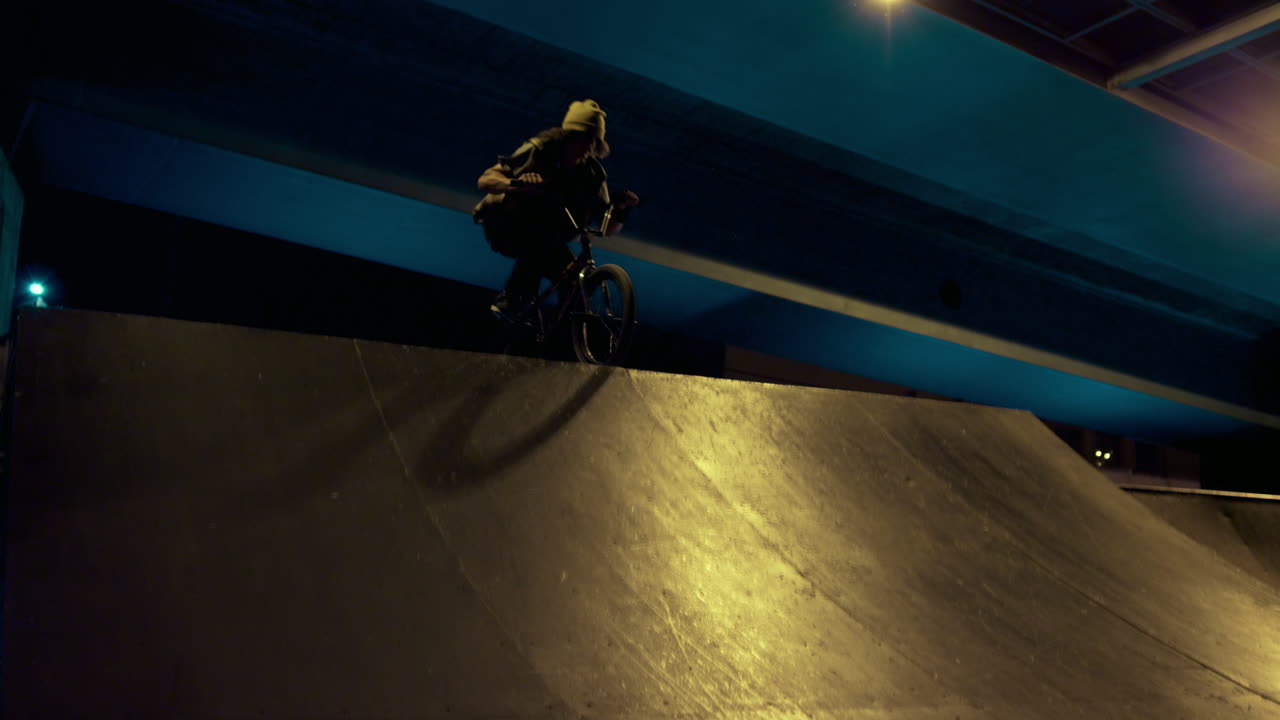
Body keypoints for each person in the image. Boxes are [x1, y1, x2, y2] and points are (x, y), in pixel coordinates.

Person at [473, 99, 640, 318]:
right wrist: (518, 184)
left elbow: (607, 229)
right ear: (567, 136)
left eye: (592, 142)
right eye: (581, 140)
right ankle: (511, 299)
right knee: (538, 244)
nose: (586, 148)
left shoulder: (593, 175)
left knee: (575, 280)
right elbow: (485, 180)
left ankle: (566, 332)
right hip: (507, 223)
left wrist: (621, 209)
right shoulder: (541, 149)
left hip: (551, 235)